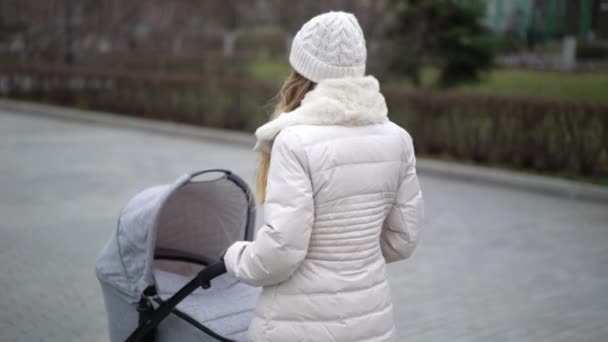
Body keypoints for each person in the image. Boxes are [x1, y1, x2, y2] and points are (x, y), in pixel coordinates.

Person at [223, 11, 424, 342]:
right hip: (371, 325)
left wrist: (234, 256)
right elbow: (402, 241)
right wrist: (350, 253)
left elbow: (280, 254)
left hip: (296, 328)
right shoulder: (397, 139)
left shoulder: (295, 141)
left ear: (301, 71)